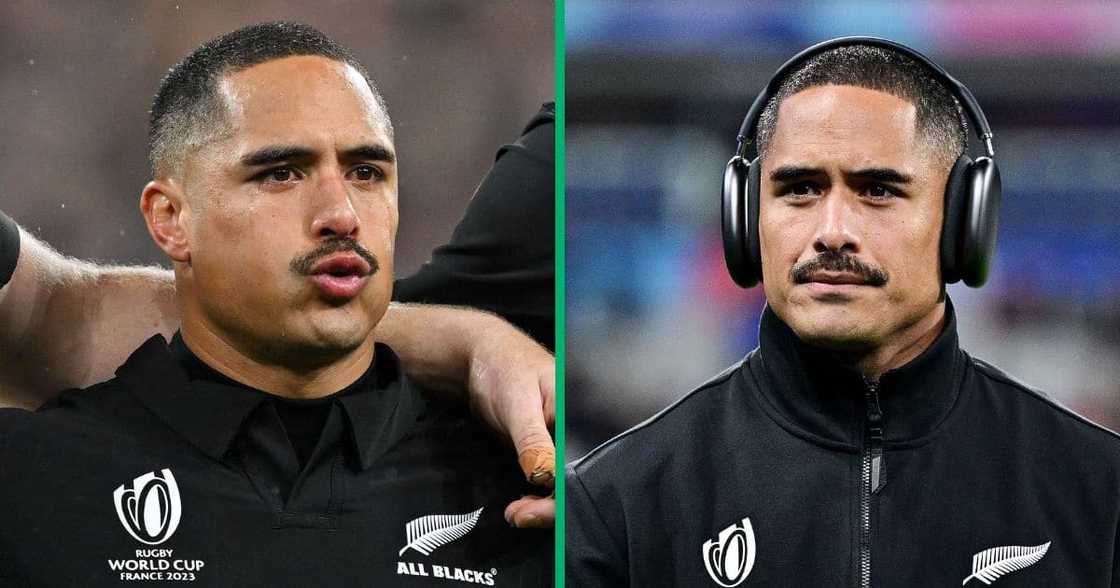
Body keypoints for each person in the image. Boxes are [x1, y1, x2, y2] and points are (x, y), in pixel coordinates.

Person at [0, 22, 549, 585]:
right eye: (281, 173)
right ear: (171, 219)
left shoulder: (527, 503)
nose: (341, 213)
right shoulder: (30, 485)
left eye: (366, 172)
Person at [567, 38, 1120, 587]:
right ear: (746, 219)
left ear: (962, 224)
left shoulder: (1101, 491)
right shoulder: (617, 504)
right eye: (800, 188)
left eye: (878, 190)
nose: (832, 232)